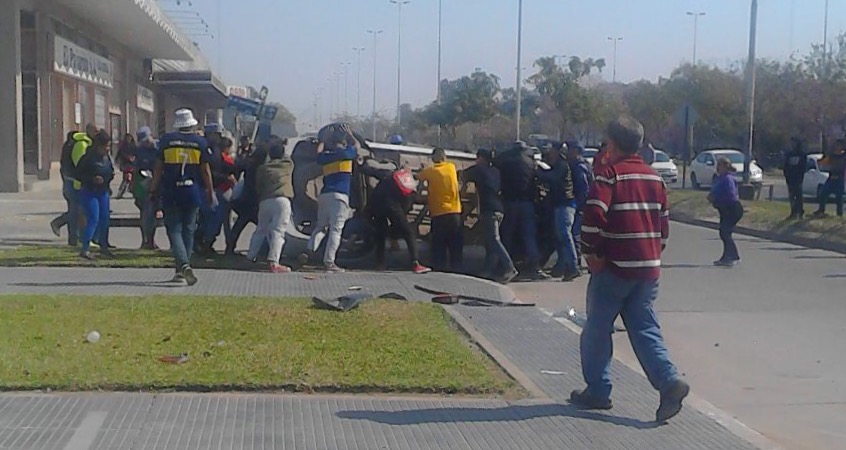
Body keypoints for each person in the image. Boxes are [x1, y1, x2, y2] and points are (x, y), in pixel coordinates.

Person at [573, 116, 689, 423]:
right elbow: (663, 227)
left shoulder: (609, 176)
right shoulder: (655, 179)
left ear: (610, 145)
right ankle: (668, 381)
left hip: (613, 268)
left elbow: (593, 217)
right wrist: (652, 254)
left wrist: (590, 253)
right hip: (647, 272)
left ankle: (598, 390)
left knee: (597, 330)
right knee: (645, 328)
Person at [150, 109, 214, 286]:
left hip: (171, 192)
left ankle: (182, 266)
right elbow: (205, 171)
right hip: (193, 192)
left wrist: (153, 189)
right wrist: (210, 191)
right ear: (192, 124)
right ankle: (183, 267)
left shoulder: (166, 141)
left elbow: (157, 168)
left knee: (174, 230)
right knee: (188, 229)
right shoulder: (200, 142)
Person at [298, 123, 359, 273]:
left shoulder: (326, 157)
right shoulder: (347, 154)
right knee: (336, 230)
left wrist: (323, 141)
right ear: (343, 142)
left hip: (324, 196)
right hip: (340, 197)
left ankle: (309, 250)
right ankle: (329, 262)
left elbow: (318, 154)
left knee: (321, 227)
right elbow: (357, 146)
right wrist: (350, 134)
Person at [360, 158, 431, 274]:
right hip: (391, 205)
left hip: (375, 205)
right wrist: (394, 236)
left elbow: (372, 171)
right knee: (409, 232)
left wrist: (361, 167)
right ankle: (416, 263)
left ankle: (380, 264)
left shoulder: (390, 175)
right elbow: (402, 215)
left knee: (380, 234)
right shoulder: (410, 190)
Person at [462, 149, 517, 283]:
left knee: (493, 240)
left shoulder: (478, 170)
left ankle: (510, 267)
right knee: (490, 242)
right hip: (500, 209)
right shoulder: (496, 171)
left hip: (489, 209)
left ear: (481, 158)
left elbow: (463, 175)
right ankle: (488, 271)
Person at [496, 141, 548, 280]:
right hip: (527, 202)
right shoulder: (531, 162)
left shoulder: (506, 161)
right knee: (529, 235)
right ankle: (535, 266)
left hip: (510, 201)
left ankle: (505, 264)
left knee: (507, 233)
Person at [247, 140, 294, 273]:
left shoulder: (263, 168)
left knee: (260, 230)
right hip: (282, 200)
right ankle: (274, 262)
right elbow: (289, 157)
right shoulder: (287, 165)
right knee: (278, 232)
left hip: (265, 201)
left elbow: (258, 186)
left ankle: (250, 257)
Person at [537, 141, 580, 281]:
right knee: (560, 237)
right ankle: (563, 267)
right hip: (561, 204)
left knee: (564, 235)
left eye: (552, 150)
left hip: (565, 204)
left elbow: (553, 178)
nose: (550, 153)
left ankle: (573, 267)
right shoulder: (558, 165)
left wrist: (539, 172)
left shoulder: (562, 165)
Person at [418, 148, 464, 272]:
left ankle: (440, 268)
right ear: (444, 157)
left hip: (439, 212)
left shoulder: (430, 171)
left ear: (433, 158)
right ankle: (457, 267)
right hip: (455, 211)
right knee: (455, 242)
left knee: (439, 243)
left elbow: (419, 177)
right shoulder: (452, 167)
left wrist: (423, 168)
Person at [76, 130, 115, 260]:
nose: (108, 149)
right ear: (98, 146)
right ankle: (85, 248)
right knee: (94, 218)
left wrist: (109, 178)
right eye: (106, 147)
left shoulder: (106, 158)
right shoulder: (87, 158)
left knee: (105, 219)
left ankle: (104, 247)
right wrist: (91, 179)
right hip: (89, 191)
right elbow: (78, 174)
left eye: (109, 146)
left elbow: (110, 171)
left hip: (103, 191)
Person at [708, 157, 744, 266]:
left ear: (725, 167)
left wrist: (716, 198)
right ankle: (727, 257)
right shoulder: (720, 178)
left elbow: (730, 195)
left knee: (725, 232)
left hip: (732, 208)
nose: (718, 168)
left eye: (720, 165)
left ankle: (733, 257)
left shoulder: (728, 179)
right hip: (724, 209)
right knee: (724, 233)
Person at [50, 131, 82, 245]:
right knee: (76, 211)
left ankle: (73, 237)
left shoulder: (67, 148)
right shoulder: (73, 148)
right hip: (73, 183)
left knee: (75, 211)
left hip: (69, 182)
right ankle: (60, 224)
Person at [133, 126, 160, 249]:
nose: (146, 143)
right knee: (146, 214)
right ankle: (146, 241)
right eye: (143, 141)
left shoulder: (160, 147)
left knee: (155, 216)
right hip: (145, 184)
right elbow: (137, 169)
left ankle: (152, 240)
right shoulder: (140, 150)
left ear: (151, 135)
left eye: (147, 140)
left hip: (160, 183)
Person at [567, 141, 593, 270]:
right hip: (582, 204)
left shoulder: (579, 167)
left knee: (574, 234)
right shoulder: (580, 164)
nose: (568, 152)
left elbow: (583, 188)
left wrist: (580, 205)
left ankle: (576, 263)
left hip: (580, 205)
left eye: (570, 149)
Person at [814, 141, 846, 218]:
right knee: (823, 194)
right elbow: (822, 162)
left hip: (840, 179)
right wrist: (824, 156)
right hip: (831, 179)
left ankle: (839, 214)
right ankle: (821, 210)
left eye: (839, 145)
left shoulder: (844, 156)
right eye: (836, 145)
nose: (837, 146)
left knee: (839, 198)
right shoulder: (832, 155)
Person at [782, 138, 807, 220]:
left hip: (798, 178)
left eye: (794, 142)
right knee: (792, 196)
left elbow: (803, 167)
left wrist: (800, 177)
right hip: (790, 178)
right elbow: (785, 166)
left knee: (798, 196)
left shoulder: (802, 154)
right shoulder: (789, 154)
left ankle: (800, 212)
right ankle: (793, 212)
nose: (792, 144)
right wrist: (786, 176)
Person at [115, 133, 137, 199]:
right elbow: (119, 154)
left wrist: (134, 158)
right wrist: (118, 160)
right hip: (125, 164)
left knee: (133, 178)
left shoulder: (134, 146)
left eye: (130, 138)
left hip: (133, 164)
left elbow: (137, 153)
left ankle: (132, 189)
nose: (129, 139)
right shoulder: (123, 146)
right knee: (126, 177)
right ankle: (121, 190)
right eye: (127, 138)